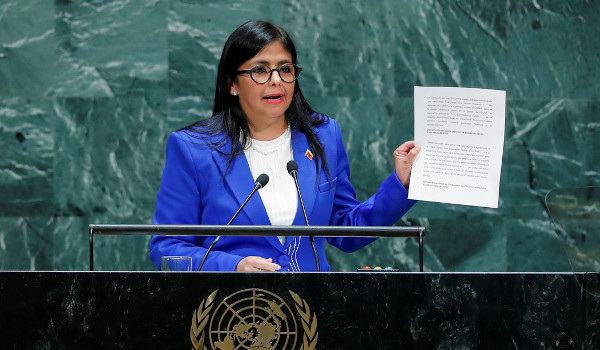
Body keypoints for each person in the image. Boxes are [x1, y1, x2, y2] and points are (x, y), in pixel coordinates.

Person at [149, 20, 420, 272]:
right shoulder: (193, 149)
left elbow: (346, 230)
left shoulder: (324, 135)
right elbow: (167, 247)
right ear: (232, 84)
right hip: (233, 311)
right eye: (260, 70)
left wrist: (402, 184)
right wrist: (233, 266)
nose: (276, 79)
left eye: (285, 69)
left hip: (312, 310)